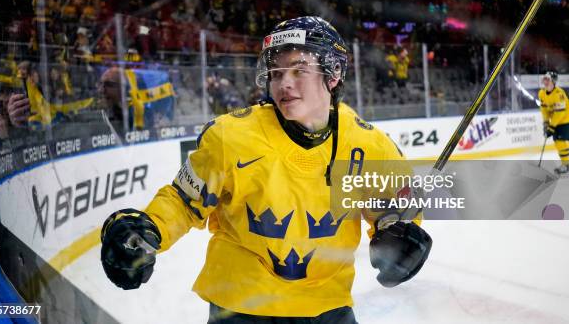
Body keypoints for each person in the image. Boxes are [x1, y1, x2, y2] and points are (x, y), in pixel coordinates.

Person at [100, 17, 432, 323]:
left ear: (332, 76)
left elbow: (393, 210)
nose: (284, 83)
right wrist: (147, 230)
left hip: (326, 307)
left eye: (299, 70)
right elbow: (183, 201)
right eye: (276, 72)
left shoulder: (369, 145)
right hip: (240, 305)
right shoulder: (231, 137)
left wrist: (399, 234)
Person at [539, 71, 569, 177]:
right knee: (557, 142)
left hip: (566, 118)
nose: (545, 81)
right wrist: (546, 123)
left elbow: (560, 113)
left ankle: (567, 167)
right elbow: (544, 109)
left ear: (553, 82)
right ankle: (564, 165)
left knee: (560, 141)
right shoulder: (541, 93)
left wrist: (551, 127)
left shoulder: (559, 94)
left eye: (548, 79)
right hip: (557, 120)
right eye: (544, 79)